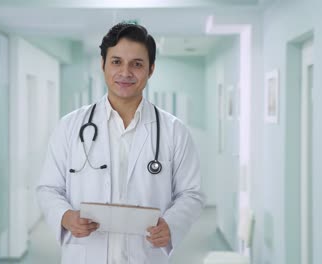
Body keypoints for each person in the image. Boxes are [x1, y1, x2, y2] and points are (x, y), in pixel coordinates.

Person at [36, 22, 205, 264]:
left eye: (137, 64)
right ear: (103, 64)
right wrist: (65, 216)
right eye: (116, 62)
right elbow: (48, 188)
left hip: (145, 255)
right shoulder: (70, 126)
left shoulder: (173, 131)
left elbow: (191, 194)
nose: (125, 72)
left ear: (151, 69)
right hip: (85, 255)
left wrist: (172, 224)